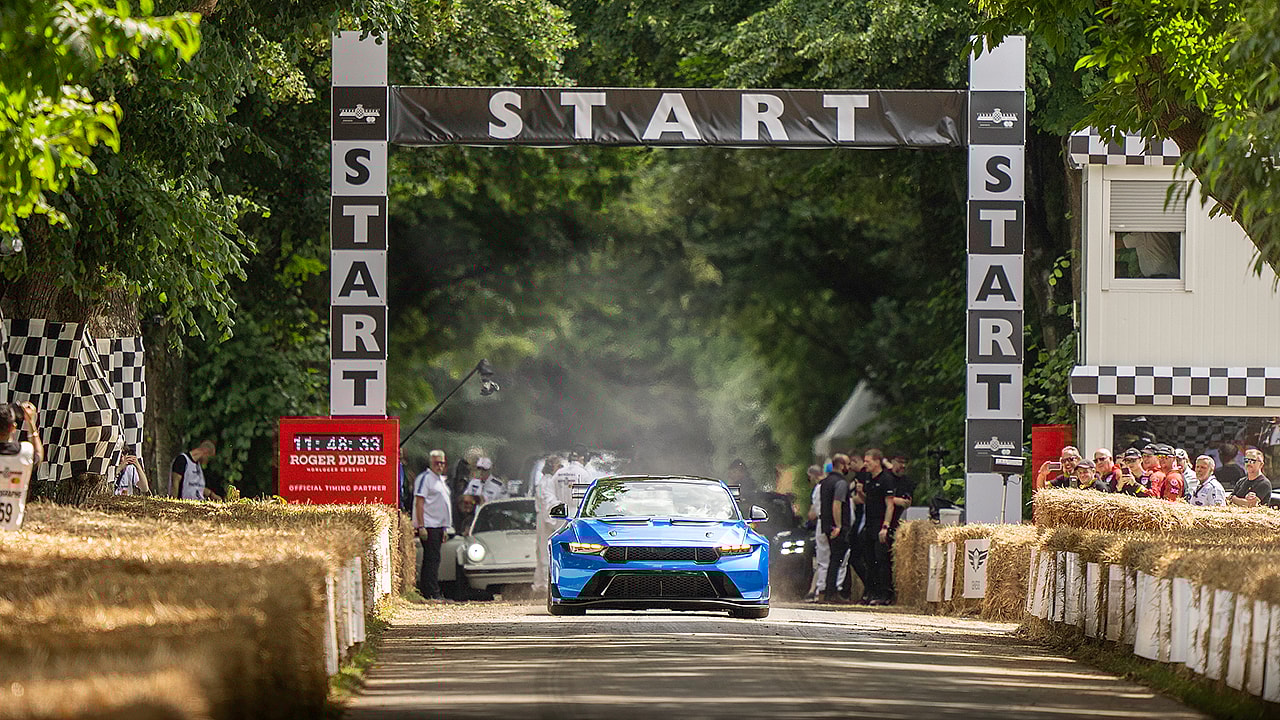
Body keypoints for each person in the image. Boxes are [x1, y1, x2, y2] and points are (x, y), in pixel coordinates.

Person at [811, 454, 851, 603]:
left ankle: (828, 591)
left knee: (830, 559)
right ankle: (832, 592)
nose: (849, 467)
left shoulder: (824, 483)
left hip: (826, 525)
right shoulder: (840, 483)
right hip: (836, 526)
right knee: (837, 559)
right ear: (841, 465)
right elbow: (837, 504)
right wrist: (839, 525)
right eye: (847, 464)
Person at [414, 450, 452, 600]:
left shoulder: (440, 480)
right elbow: (419, 502)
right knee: (431, 559)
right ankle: (431, 592)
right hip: (429, 525)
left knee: (434, 559)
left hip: (438, 526)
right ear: (431, 463)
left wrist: (444, 527)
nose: (440, 466)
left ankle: (431, 591)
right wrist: (421, 526)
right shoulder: (425, 478)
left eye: (442, 463)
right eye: (437, 463)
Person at [862, 449, 897, 605]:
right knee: (870, 559)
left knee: (881, 558)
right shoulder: (869, 479)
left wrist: (885, 526)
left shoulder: (886, 480)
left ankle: (885, 593)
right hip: (869, 523)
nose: (865, 464)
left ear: (877, 462)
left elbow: (890, 505)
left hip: (880, 522)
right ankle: (872, 592)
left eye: (868, 461)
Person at [0, 403, 43, 527]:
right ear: (13, 428)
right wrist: (31, 422)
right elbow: (38, 454)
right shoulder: (25, 452)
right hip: (12, 526)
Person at [533, 455, 565, 595]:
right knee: (545, 552)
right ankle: (544, 585)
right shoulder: (545, 482)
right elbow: (546, 503)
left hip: (545, 518)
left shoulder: (547, 481)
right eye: (558, 465)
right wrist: (552, 523)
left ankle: (540, 584)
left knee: (542, 552)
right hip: (545, 519)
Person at [803, 464, 827, 602]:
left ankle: (817, 590)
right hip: (828, 524)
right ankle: (815, 590)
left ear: (813, 475)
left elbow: (812, 514)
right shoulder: (828, 485)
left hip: (821, 524)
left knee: (821, 560)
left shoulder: (819, 488)